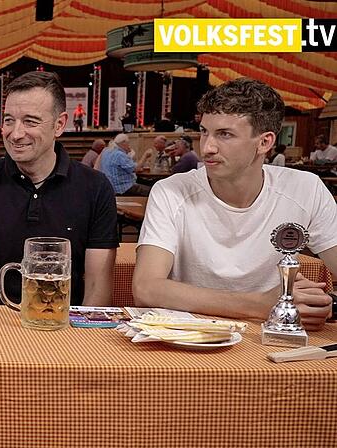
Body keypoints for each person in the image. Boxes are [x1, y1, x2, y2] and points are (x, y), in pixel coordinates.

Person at [133, 78, 337, 330]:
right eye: (204, 131)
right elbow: (146, 289)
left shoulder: (306, 189)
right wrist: (261, 305)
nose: (207, 148)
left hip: (271, 336)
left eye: (225, 134)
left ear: (264, 142)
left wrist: (317, 303)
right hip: (192, 335)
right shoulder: (171, 190)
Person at [0, 71, 118, 306]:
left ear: (59, 125)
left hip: (66, 322)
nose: (16, 134)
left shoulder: (96, 188)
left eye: (30, 121)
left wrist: (74, 329)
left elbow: (97, 290)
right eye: (9, 120)